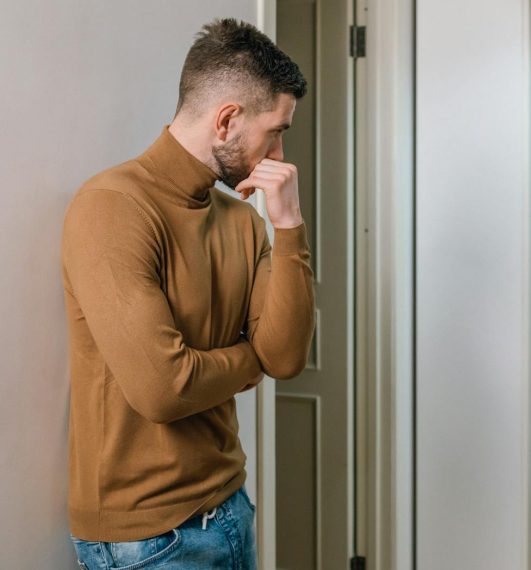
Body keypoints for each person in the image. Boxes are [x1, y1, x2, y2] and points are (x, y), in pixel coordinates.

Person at [61, 18, 314, 569]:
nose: (279, 152)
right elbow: (163, 389)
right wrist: (251, 361)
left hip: (230, 507)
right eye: (275, 130)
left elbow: (288, 357)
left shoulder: (241, 221)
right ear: (226, 120)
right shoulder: (112, 206)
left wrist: (289, 223)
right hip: (149, 540)